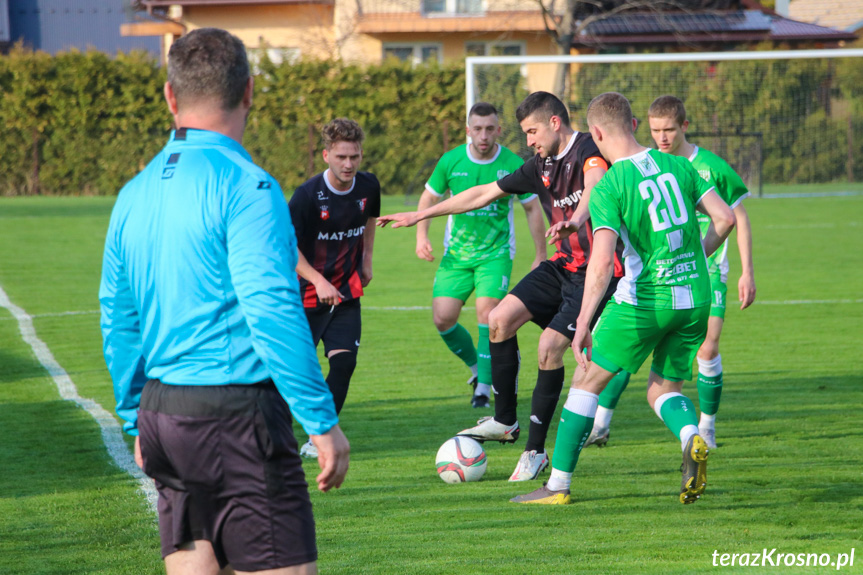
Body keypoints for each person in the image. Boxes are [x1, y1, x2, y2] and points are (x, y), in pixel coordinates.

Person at [99, 28, 349, 575]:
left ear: (170, 96)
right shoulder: (249, 188)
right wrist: (320, 420)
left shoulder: (132, 193)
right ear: (250, 93)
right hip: (235, 416)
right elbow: (271, 309)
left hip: (163, 413)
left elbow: (118, 318)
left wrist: (136, 419)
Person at [378, 91, 629, 482]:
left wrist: (579, 219)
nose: (528, 141)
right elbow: (482, 194)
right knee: (498, 319)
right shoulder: (538, 165)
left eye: (532, 131)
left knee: (549, 347)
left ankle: (534, 451)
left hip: (598, 271)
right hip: (562, 264)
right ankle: (505, 420)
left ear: (554, 123)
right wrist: (422, 213)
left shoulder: (587, 148)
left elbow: (595, 183)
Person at [512, 92, 735, 506]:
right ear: (633, 124)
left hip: (644, 300)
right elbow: (725, 218)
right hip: (695, 298)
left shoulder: (610, 184)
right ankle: (692, 436)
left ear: (595, 133)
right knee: (662, 388)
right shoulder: (680, 165)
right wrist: (692, 258)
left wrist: (581, 323)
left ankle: (556, 486)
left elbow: (599, 266)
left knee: (585, 382)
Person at [584, 95, 756, 450]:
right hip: (689, 284)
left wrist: (745, 270)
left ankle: (705, 427)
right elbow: (723, 218)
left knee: (600, 369)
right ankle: (672, 431)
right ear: (639, 127)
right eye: (655, 130)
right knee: (651, 377)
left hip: (677, 280)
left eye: (669, 129)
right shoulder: (668, 166)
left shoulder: (702, 166)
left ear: (684, 127)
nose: (662, 137)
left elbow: (736, 216)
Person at [417, 102, 546, 408]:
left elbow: (531, 208)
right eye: (478, 129)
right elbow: (429, 197)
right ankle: (478, 369)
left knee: (487, 314)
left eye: (490, 129)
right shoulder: (451, 161)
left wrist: (540, 253)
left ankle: (484, 390)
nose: (484, 135)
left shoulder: (513, 163)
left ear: (499, 130)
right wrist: (421, 236)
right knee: (442, 319)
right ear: (468, 131)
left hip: (495, 254)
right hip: (456, 256)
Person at [288, 118, 380, 458]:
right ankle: (266, 431)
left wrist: (367, 258)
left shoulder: (368, 186)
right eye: (341, 157)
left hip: (345, 295)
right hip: (304, 295)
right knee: (295, 372)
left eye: (354, 156)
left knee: (343, 364)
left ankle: (318, 437)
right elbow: (286, 246)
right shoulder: (308, 196)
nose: (348, 164)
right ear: (327, 155)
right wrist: (316, 279)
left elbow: (370, 217)